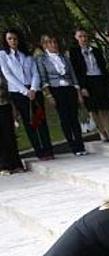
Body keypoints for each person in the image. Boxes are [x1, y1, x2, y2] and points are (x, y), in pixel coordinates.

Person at [0, 28, 54, 159]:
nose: (13, 41)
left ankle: (48, 150)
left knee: (41, 120)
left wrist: (34, 89)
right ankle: (39, 151)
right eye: (10, 39)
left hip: (34, 90)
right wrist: (25, 91)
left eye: (15, 38)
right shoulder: (3, 55)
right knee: (30, 122)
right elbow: (8, 75)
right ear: (6, 41)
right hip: (19, 92)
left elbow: (35, 72)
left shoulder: (27, 54)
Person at [36, 35, 87, 156]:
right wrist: (49, 96)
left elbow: (73, 75)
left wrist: (78, 92)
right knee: (65, 118)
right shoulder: (42, 59)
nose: (53, 44)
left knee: (74, 117)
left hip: (69, 88)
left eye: (54, 42)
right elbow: (44, 79)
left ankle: (80, 144)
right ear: (45, 45)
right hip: (56, 90)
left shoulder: (64, 57)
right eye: (49, 42)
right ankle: (72, 145)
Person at [69, 28, 109, 142]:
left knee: (105, 107)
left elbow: (103, 67)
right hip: (87, 81)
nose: (83, 39)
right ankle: (101, 132)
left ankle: (108, 131)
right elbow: (76, 71)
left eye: (84, 36)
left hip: (99, 79)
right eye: (80, 36)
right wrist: (82, 87)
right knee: (93, 109)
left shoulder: (95, 50)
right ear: (76, 38)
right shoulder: (74, 52)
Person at [0, 69, 25, 174]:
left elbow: (8, 87)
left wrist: (14, 108)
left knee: (9, 135)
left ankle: (16, 164)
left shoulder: (2, 70)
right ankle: (3, 166)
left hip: (5, 105)